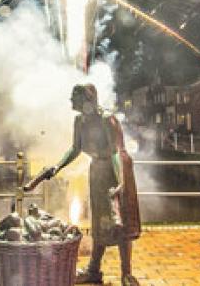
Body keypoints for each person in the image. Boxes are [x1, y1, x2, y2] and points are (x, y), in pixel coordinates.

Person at [44, 84, 141, 285]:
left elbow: (116, 152)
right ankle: (94, 270)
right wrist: (57, 166)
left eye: (74, 98)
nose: (71, 101)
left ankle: (126, 273)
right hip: (97, 170)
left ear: (86, 99)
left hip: (117, 169)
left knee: (120, 222)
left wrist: (120, 182)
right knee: (99, 221)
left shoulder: (107, 119)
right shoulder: (79, 120)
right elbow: (75, 148)